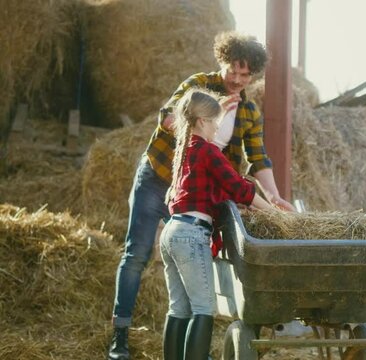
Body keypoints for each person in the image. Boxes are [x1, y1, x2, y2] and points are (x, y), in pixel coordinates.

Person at [107, 30, 293, 360]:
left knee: (180, 302)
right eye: (232, 70)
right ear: (222, 62)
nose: (237, 79)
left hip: (197, 191)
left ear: (253, 75)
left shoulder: (248, 112)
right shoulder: (199, 88)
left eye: (245, 74)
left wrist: (275, 196)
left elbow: (258, 157)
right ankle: (119, 338)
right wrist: (208, 116)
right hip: (161, 176)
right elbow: (166, 118)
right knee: (137, 255)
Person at [160, 88, 274, 360]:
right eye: (214, 123)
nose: (216, 129)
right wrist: (271, 211)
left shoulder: (185, 151)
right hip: (191, 234)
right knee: (203, 309)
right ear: (201, 122)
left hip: (171, 232)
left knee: (178, 309)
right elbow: (238, 187)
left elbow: (211, 191)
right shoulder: (207, 151)